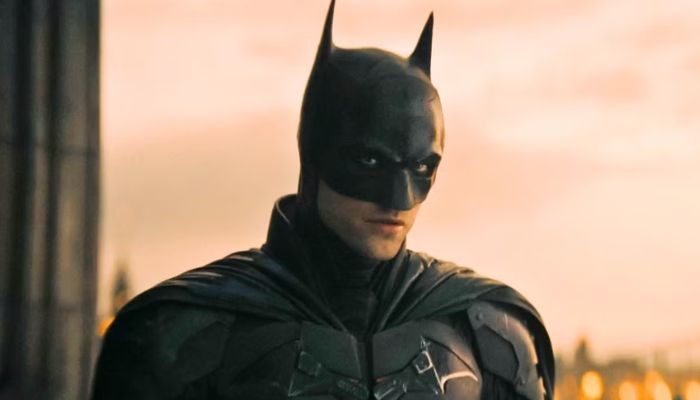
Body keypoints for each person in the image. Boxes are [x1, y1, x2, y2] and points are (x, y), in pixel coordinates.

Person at [92, 2, 555, 399]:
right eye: (368, 161)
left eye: (420, 167)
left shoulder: (490, 331)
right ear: (315, 155)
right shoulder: (178, 333)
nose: (397, 200)